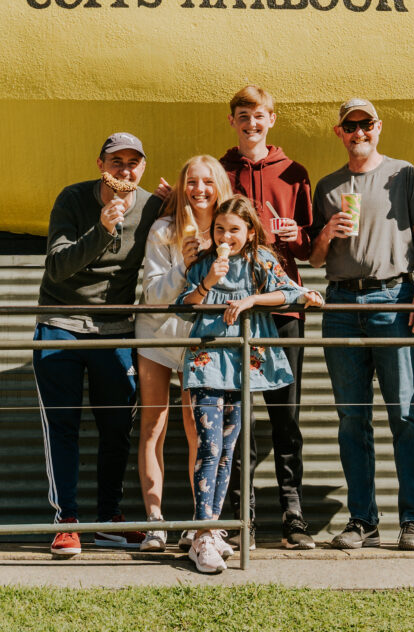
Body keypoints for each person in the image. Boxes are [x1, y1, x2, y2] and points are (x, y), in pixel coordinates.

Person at [309, 97, 414, 551]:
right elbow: (314, 257)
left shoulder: (404, 175)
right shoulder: (327, 186)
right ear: (339, 132)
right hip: (342, 302)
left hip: (393, 298)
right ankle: (362, 519)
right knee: (351, 418)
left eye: (366, 124)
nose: (358, 132)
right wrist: (327, 233)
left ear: (378, 127)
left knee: (404, 413)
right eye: (350, 126)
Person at [177, 195, 323, 573]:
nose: (227, 236)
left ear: (250, 231)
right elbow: (183, 305)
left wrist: (251, 301)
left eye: (235, 230)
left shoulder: (261, 261)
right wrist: (209, 282)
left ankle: (213, 530)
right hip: (208, 360)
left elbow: (289, 291)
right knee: (209, 446)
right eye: (220, 229)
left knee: (228, 449)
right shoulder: (204, 263)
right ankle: (202, 531)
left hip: (242, 366)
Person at [34, 132, 163, 558]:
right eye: (116, 162)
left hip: (116, 329)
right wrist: (103, 227)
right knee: (63, 425)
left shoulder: (151, 206)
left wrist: (181, 199)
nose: (125, 171)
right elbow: (56, 267)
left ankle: (109, 520)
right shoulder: (72, 200)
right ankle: (66, 521)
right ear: (100, 165)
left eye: (133, 163)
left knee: (116, 428)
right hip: (61, 323)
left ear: (142, 168)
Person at [216, 85, 318, 549]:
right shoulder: (220, 171)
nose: (251, 124)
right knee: (238, 412)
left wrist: (295, 236)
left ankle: (292, 510)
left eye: (259, 116)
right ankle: (244, 513)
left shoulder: (294, 172)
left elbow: (311, 250)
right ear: (233, 121)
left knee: (285, 413)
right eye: (242, 115)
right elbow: (204, 224)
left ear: (272, 120)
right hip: (235, 308)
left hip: (283, 306)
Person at [135, 154, 231, 551]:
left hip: (200, 341)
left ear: (219, 186)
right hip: (158, 336)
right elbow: (152, 295)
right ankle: (155, 522)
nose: (199, 189)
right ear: (181, 186)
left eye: (207, 182)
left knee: (199, 429)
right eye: (191, 182)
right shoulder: (163, 229)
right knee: (154, 426)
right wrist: (183, 267)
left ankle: (199, 521)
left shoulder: (229, 231)